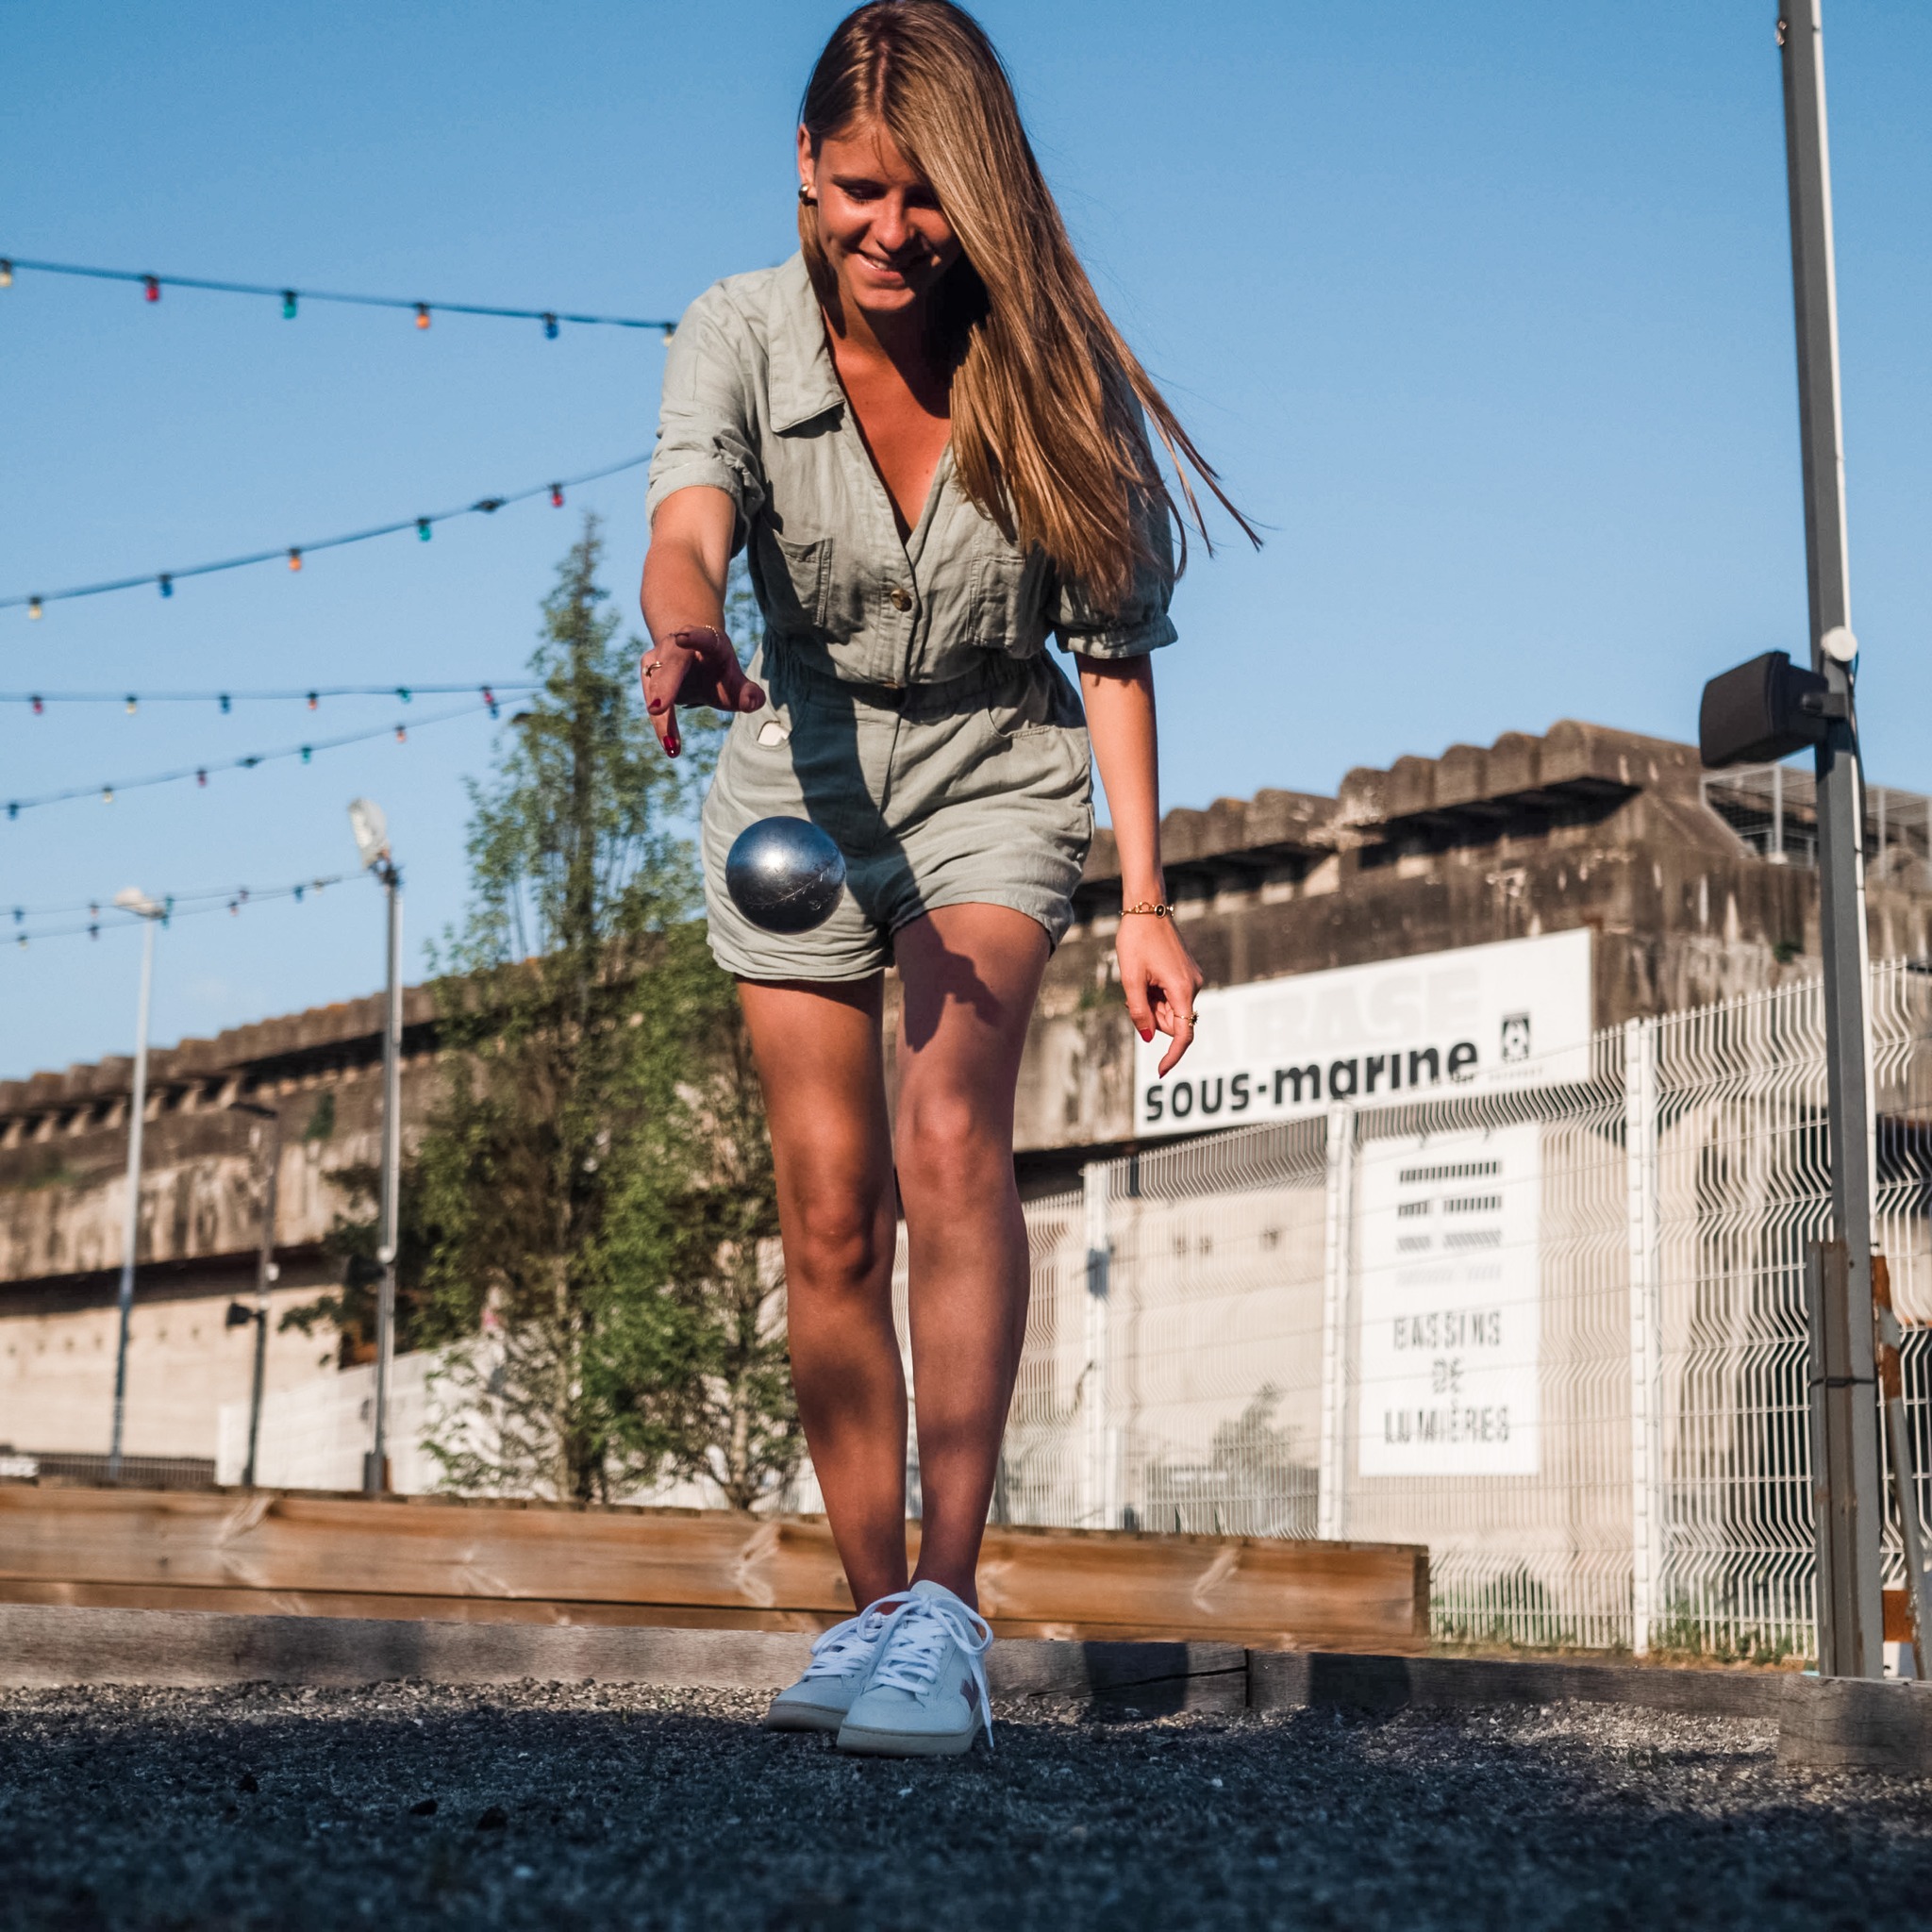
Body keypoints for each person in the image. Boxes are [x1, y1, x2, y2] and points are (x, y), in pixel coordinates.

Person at [638, 0, 1254, 1757]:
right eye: (854, 191)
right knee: (828, 1201)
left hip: (993, 764)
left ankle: (956, 1607)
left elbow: (1116, 650)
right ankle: (871, 1615)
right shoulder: (735, 335)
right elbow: (689, 523)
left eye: (921, 196)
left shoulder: (1045, 363)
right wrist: (687, 633)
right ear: (804, 174)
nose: (887, 232)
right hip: (795, 769)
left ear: (972, 190)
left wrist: (1143, 898)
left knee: (943, 1135)